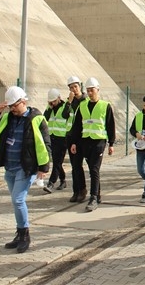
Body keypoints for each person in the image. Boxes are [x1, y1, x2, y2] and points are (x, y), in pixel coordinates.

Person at [0, 86, 51, 253]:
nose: (12, 109)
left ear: (23, 101)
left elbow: (46, 144)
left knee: (18, 200)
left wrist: (43, 167)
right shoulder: (8, 117)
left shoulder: (37, 118)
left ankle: (25, 235)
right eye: (10, 106)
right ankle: (19, 233)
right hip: (10, 167)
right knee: (16, 202)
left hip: (26, 167)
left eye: (15, 105)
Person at [68, 77, 116, 212]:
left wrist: (111, 143)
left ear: (98, 90)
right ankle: (93, 193)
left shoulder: (105, 106)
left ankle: (93, 198)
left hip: (99, 141)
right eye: (88, 91)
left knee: (94, 169)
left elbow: (110, 125)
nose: (89, 93)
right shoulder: (82, 105)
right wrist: (73, 142)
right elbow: (77, 126)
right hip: (84, 141)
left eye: (92, 90)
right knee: (83, 166)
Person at [62, 75, 87, 203]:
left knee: (78, 165)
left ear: (80, 86)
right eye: (71, 88)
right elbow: (64, 115)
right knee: (74, 166)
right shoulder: (70, 102)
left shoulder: (85, 101)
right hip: (71, 136)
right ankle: (76, 191)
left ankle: (82, 190)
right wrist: (69, 102)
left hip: (82, 136)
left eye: (75, 87)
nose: (74, 89)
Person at [42, 88, 68, 193]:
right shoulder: (50, 108)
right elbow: (45, 119)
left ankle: (51, 183)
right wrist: (50, 108)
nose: (52, 102)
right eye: (50, 101)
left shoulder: (66, 106)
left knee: (57, 162)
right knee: (58, 161)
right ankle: (63, 180)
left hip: (62, 138)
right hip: (52, 137)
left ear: (59, 98)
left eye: (54, 100)